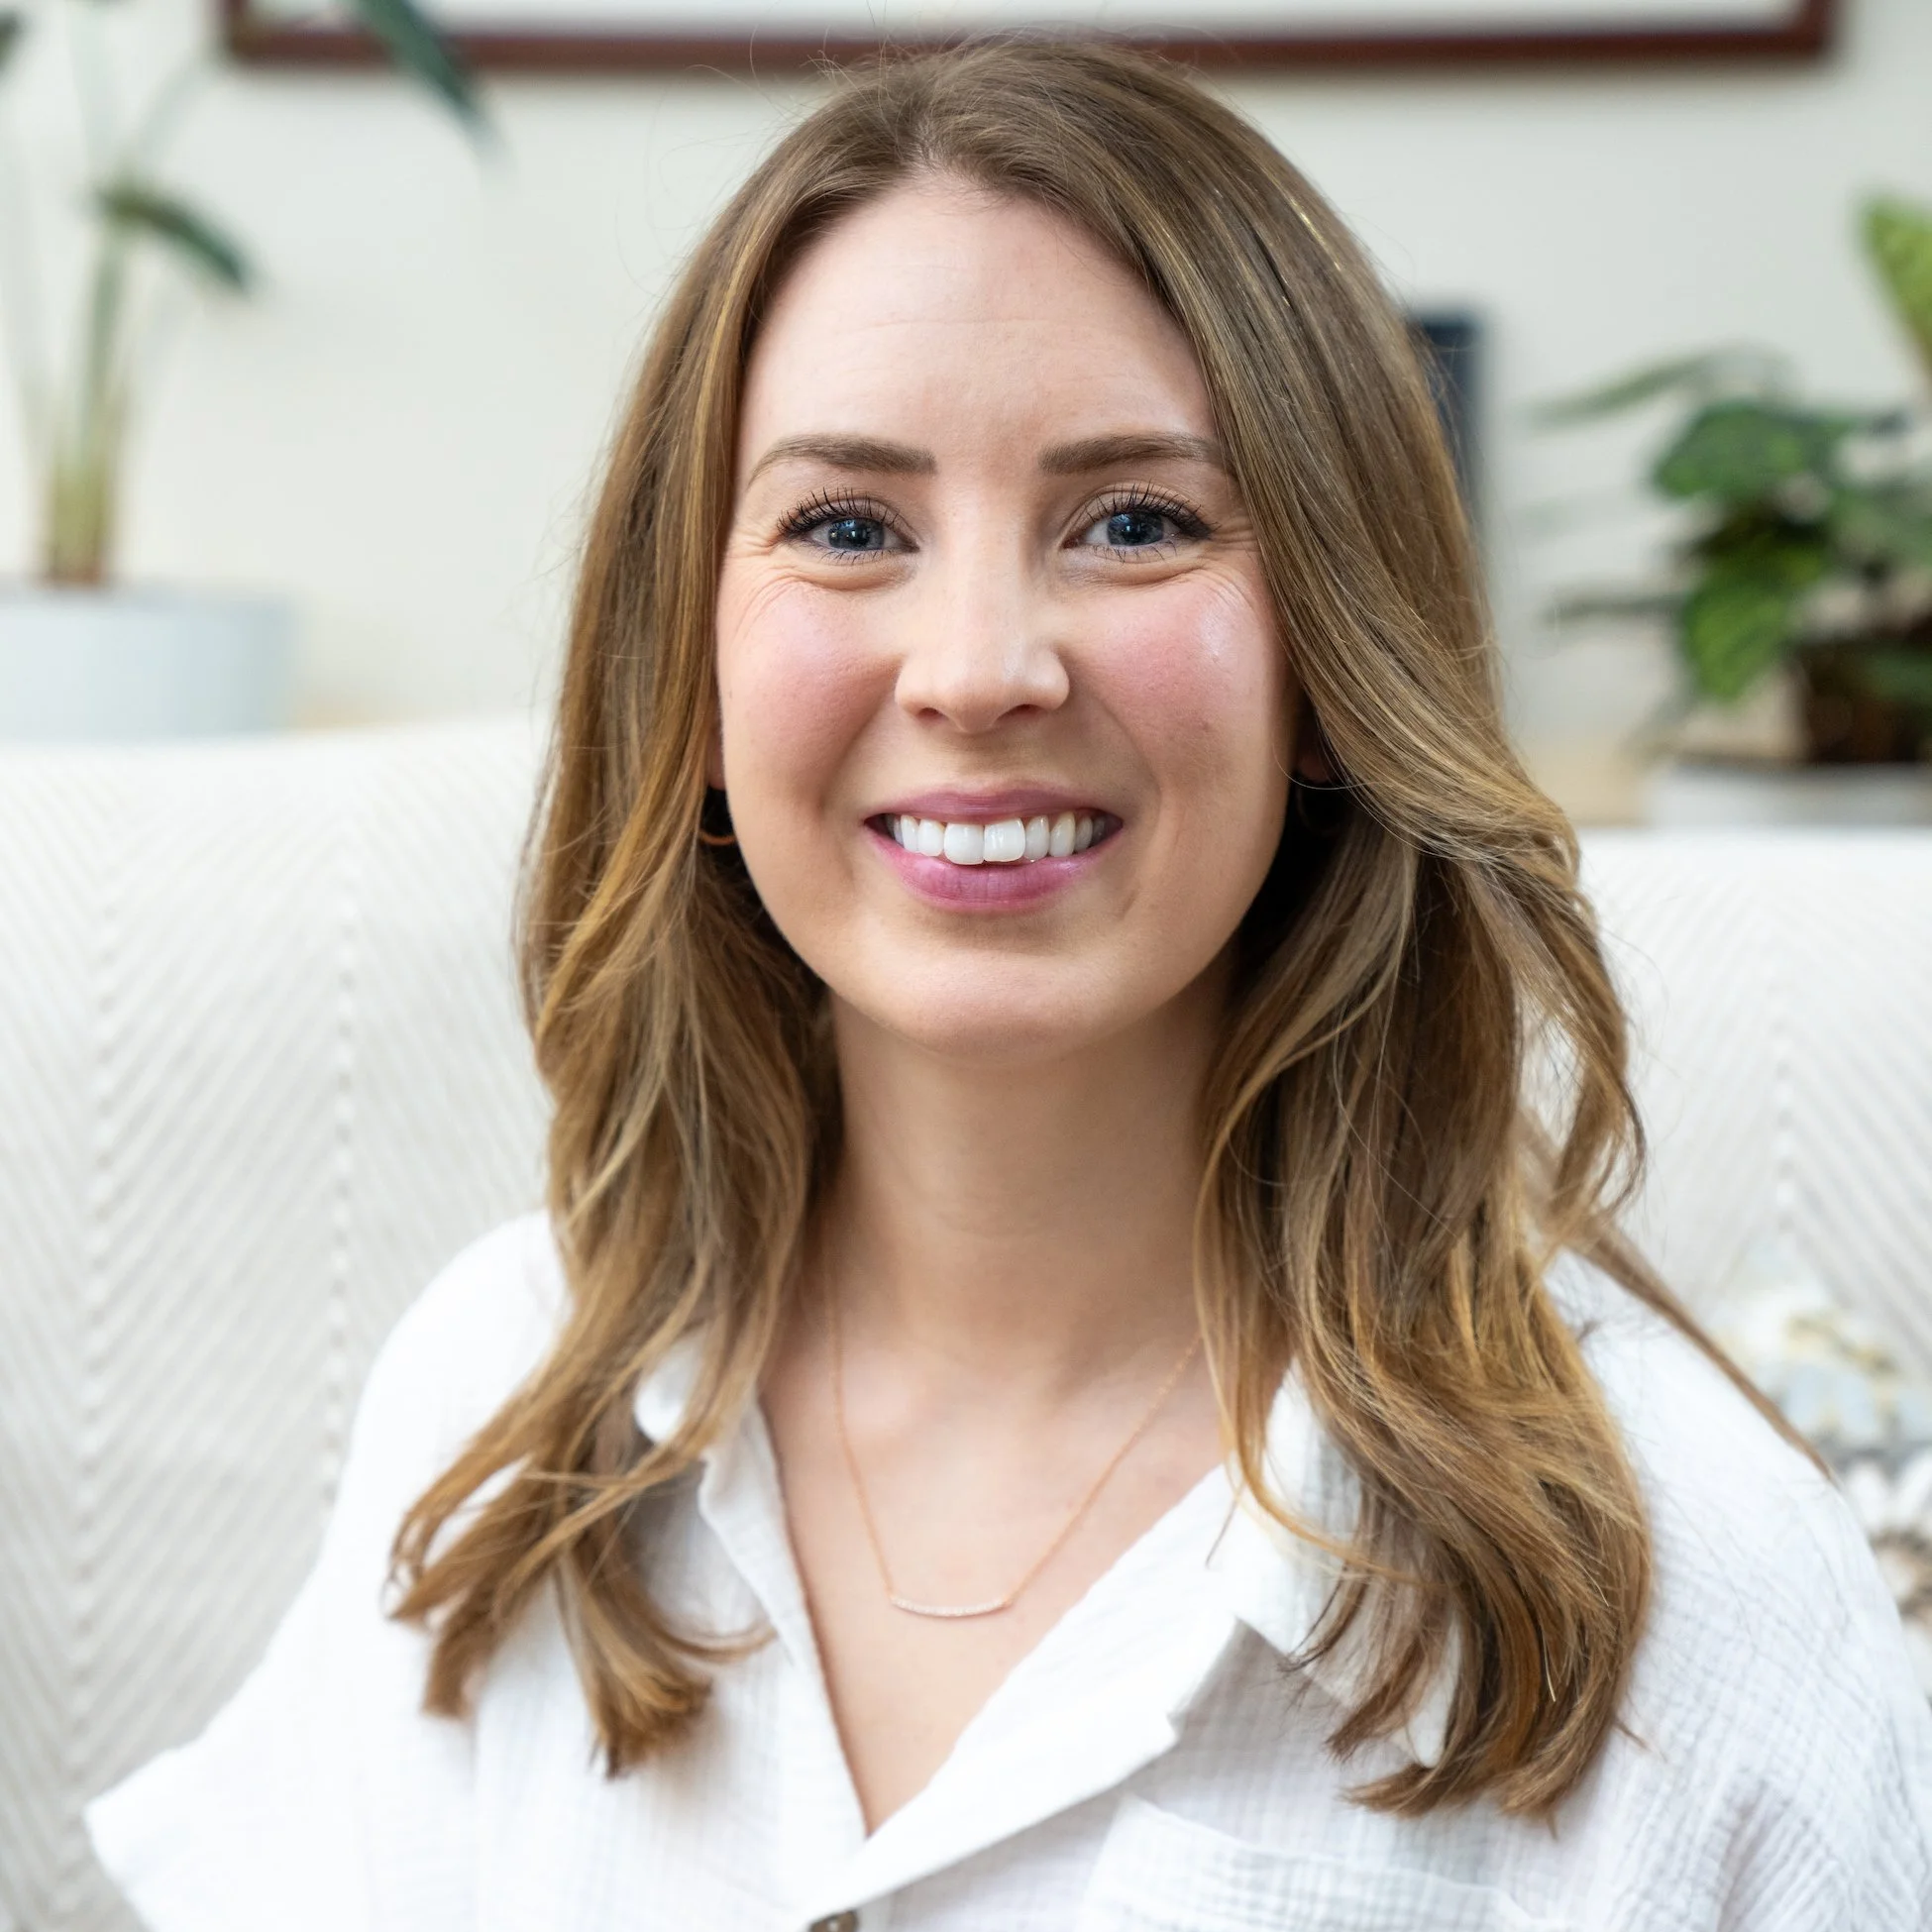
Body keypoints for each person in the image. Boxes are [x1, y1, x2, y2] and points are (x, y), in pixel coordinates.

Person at [88, 38, 1932, 1932]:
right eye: (847, 526)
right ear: (691, 670)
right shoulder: (501, 1401)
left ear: (1329, 667)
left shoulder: (1696, 1575)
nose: (978, 668)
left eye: (1135, 519)